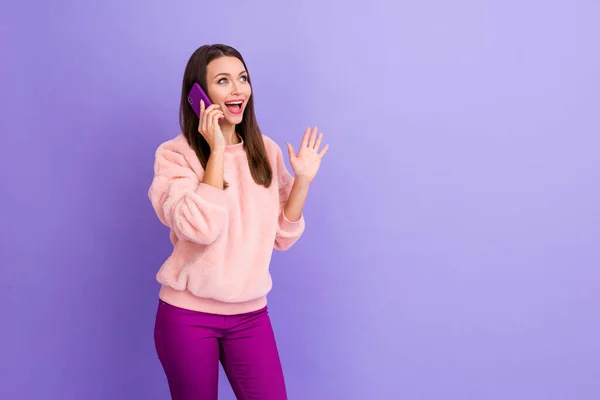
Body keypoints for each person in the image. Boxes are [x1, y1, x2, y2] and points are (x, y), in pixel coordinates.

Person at [148, 44, 329, 399]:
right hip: (188, 316)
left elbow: (282, 235)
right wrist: (216, 150)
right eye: (223, 80)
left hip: (250, 316)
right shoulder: (175, 155)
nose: (237, 90)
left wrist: (303, 181)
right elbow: (200, 228)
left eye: (242, 79)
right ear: (199, 94)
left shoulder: (266, 150)